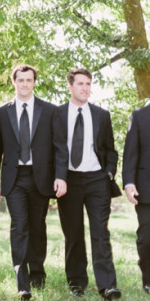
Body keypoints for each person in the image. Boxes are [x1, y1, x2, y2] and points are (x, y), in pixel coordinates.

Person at [0, 64, 68, 300]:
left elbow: (60, 147)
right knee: (19, 226)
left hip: (41, 178)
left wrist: (61, 176)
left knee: (38, 227)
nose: (24, 84)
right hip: (14, 179)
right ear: (14, 82)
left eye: (29, 80)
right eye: (20, 80)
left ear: (34, 82)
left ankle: (38, 273)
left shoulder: (50, 110)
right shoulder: (2, 112)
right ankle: (22, 282)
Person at [57, 68, 121, 299]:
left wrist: (109, 174)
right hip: (70, 180)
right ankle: (76, 283)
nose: (85, 88)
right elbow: (53, 149)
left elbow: (110, 150)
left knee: (100, 233)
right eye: (80, 84)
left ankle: (107, 285)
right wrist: (58, 177)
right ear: (70, 86)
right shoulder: (57, 114)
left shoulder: (102, 115)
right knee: (73, 233)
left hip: (97, 180)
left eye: (88, 84)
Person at [123, 96, 150, 295]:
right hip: (146, 188)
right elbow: (130, 152)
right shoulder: (139, 116)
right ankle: (148, 278)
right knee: (146, 238)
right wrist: (129, 182)